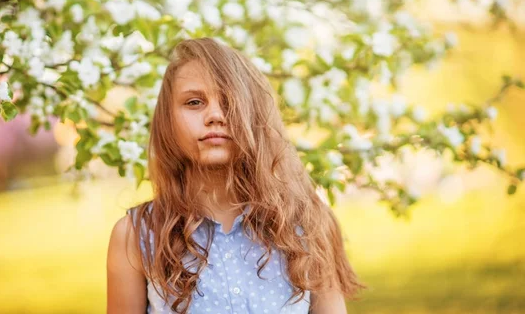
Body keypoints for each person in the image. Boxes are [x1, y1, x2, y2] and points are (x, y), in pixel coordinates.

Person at [107, 38, 366, 313]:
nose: (215, 115)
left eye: (230, 101)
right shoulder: (136, 236)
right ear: (167, 120)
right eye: (194, 102)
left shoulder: (309, 224)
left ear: (255, 114)